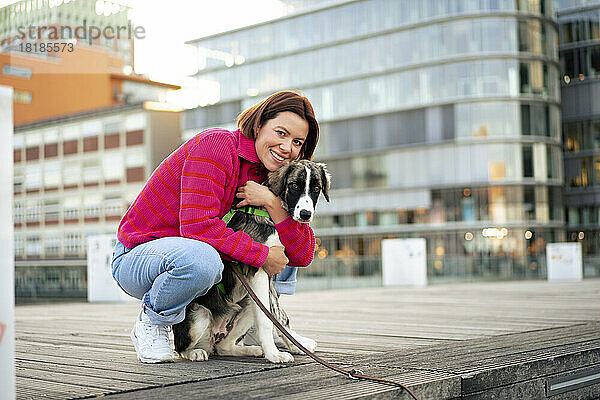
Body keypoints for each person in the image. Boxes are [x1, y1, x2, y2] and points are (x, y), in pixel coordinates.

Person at [111, 90, 319, 363]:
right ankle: (152, 321)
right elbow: (197, 227)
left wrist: (271, 201)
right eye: (280, 133)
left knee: (280, 241)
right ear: (258, 126)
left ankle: (259, 326)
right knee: (204, 259)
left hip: (199, 263)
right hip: (140, 256)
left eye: (297, 142)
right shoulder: (216, 147)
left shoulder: (272, 175)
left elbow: (300, 255)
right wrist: (262, 255)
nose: (287, 147)